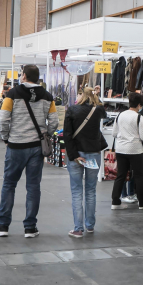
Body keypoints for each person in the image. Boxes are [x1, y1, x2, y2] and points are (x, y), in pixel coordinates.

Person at [0, 64, 57, 238]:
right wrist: (46, 135)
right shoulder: (47, 96)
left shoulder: (12, 94)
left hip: (16, 146)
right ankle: (30, 227)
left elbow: (3, 118)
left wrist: (5, 138)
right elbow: (55, 122)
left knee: (9, 184)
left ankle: (3, 225)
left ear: (24, 76)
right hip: (37, 147)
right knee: (33, 186)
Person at [63, 87, 108, 237]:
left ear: (81, 95)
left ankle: (78, 228)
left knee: (77, 192)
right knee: (91, 191)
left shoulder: (72, 110)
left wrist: (73, 155)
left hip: (77, 154)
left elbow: (67, 135)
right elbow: (104, 112)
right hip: (93, 154)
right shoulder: (98, 110)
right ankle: (90, 225)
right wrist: (96, 96)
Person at [110, 93, 143, 211]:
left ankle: (115, 202)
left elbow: (114, 133)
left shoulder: (120, 115)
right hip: (135, 150)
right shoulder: (139, 117)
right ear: (139, 105)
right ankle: (142, 203)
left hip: (121, 149)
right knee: (138, 176)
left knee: (121, 175)